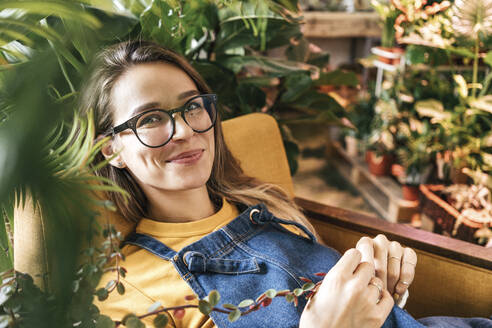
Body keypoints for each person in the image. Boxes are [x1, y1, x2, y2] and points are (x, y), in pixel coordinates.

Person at [80, 40, 491, 328]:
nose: (185, 130)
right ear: (111, 149)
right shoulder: (125, 290)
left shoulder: (266, 203)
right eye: (149, 119)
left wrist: (374, 283)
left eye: (192, 107)